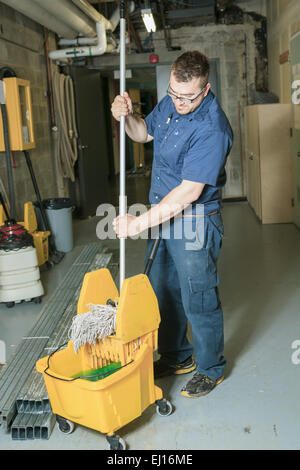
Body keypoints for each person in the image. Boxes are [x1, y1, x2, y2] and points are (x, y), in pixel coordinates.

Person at [111, 51, 233, 398]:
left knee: (198, 297)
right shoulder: (171, 101)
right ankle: (178, 356)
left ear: (206, 89)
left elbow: (188, 193)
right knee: (161, 290)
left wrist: (137, 225)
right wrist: (127, 116)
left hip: (193, 220)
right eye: (174, 94)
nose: (179, 102)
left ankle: (210, 368)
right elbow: (142, 134)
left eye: (188, 97)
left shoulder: (212, 127)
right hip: (162, 213)